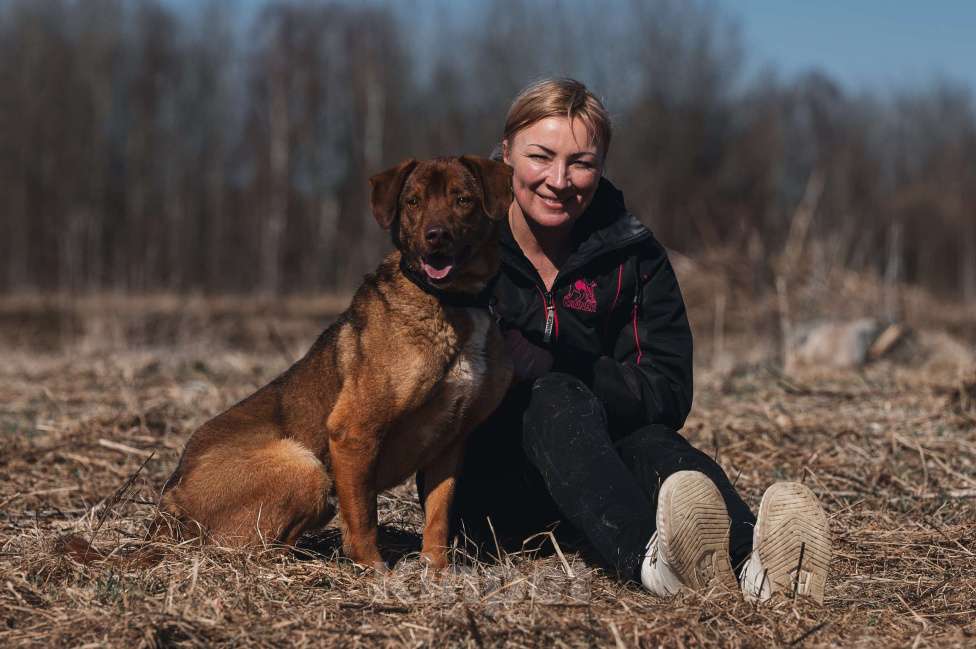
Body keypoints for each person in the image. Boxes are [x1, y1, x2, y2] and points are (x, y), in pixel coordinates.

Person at [420, 78, 831, 601]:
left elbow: (667, 390)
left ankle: (757, 566)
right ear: (506, 154)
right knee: (552, 398)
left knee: (650, 439)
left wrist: (570, 372)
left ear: (603, 165)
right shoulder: (457, 246)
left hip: (601, 475)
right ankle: (654, 562)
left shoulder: (634, 254)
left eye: (582, 162)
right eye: (540, 157)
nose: (559, 180)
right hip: (486, 494)